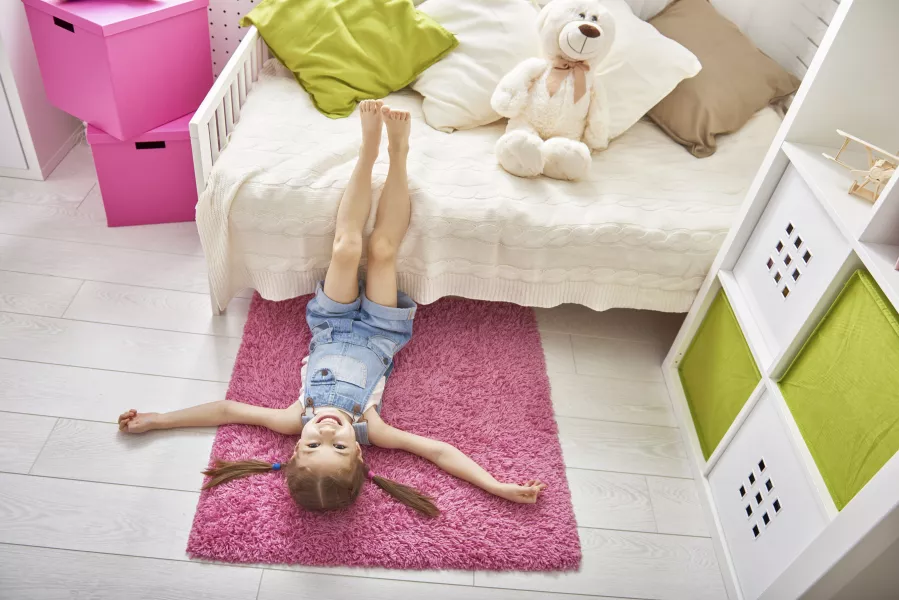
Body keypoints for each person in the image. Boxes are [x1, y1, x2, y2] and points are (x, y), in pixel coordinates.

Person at [119, 101, 547, 517]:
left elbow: (226, 411)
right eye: (339, 446)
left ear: (294, 447)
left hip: (332, 324)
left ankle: (367, 150)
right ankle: (399, 156)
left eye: (312, 445)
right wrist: (494, 484)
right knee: (381, 250)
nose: (326, 431)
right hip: (381, 331)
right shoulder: (372, 427)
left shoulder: (292, 417)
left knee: (346, 248)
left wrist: (158, 420)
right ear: (360, 452)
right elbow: (437, 451)